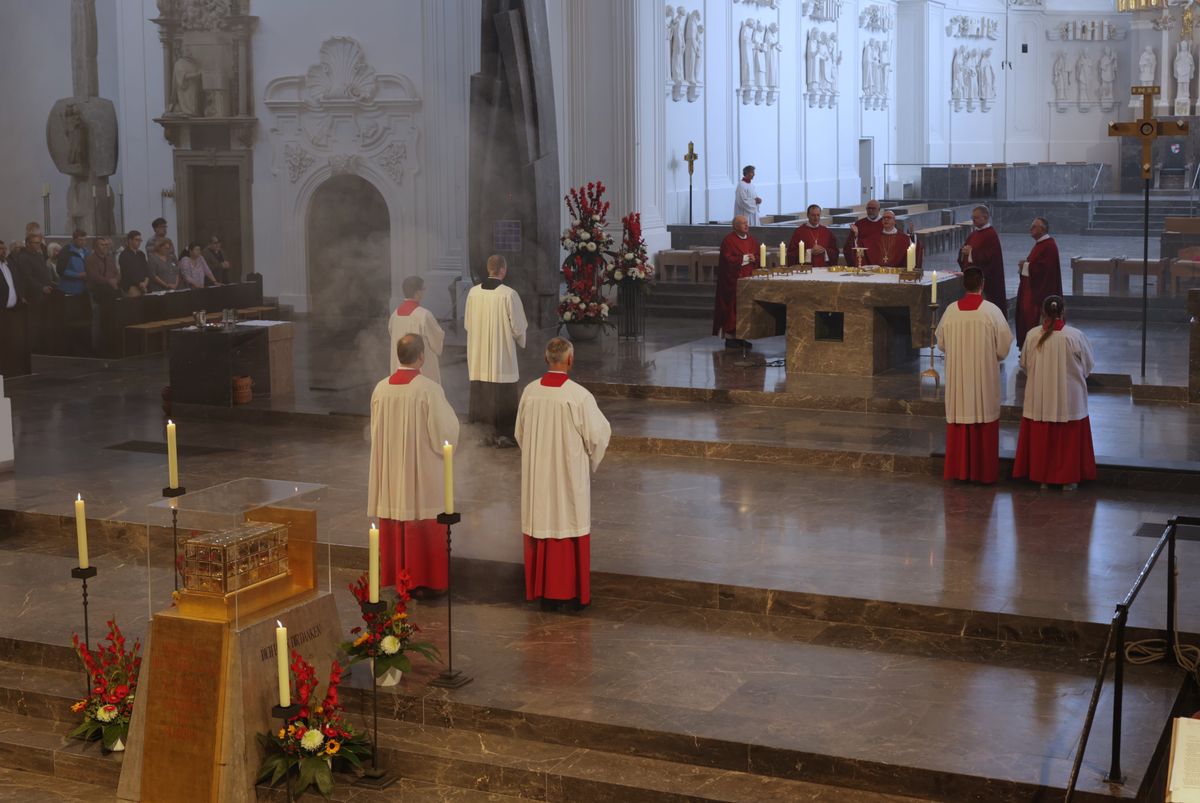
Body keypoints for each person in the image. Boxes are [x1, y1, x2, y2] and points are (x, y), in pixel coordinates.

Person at [516, 337, 611, 611]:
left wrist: (538, 455)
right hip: (567, 474)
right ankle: (570, 592)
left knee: (543, 519)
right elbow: (598, 436)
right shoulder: (579, 396)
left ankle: (543, 591)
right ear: (570, 360)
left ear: (547, 359)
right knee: (568, 518)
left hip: (538, 475)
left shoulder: (530, 392)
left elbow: (520, 433)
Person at [367, 333, 459, 596]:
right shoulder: (428, 389)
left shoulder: (380, 388)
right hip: (420, 469)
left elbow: (375, 431)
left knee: (398, 510)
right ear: (422, 356)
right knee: (422, 510)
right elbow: (446, 432)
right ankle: (425, 580)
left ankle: (400, 579)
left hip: (392, 469)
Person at [935, 266, 1014, 485]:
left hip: (959, 378)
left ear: (964, 285)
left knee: (961, 415)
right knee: (983, 416)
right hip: (983, 377)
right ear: (983, 284)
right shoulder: (992, 312)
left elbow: (941, 343)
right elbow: (1004, 347)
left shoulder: (951, 311)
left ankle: (960, 471)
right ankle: (983, 472)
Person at [1013, 296, 1096, 491]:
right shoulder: (1075, 336)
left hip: (1041, 397)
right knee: (1068, 436)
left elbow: (1024, 364)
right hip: (1069, 398)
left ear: (1042, 313)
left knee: (1043, 433)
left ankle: (1043, 476)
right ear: (1063, 312)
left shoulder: (1033, 335)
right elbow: (1088, 367)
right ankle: (1069, 478)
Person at [465, 255, 528, 448]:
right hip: (501, 355)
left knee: (481, 390)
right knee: (504, 392)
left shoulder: (473, 293)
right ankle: (504, 436)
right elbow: (518, 328)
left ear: (488, 269)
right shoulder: (509, 294)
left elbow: (467, 324)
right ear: (503, 270)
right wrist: (520, 340)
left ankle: (481, 435)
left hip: (479, 355)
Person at [1015, 217, 1063, 351]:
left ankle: (1035, 348)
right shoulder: (1041, 244)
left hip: (1040, 294)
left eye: (1034, 226)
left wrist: (1026, 265)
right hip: (1031, 290)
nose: (1031, 229)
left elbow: (1044, 270)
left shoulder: (1049, 246)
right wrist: (1026, 266)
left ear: (1043, 229)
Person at [713, 215, 760, 349]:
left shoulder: (751, 240)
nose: (747, 225)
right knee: (733, 309)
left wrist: (754, 258)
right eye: (743, 223)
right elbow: (727, 260)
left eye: (747, 223)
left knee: (745, 308)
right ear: (735, 226)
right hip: (733, 281)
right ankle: (730, 338)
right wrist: (745, 257)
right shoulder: (728, 241)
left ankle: (742, 336)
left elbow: (757, 256)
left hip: (749, 280)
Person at [389, 275, 445, 384]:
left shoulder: (394, 315)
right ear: (418, 292)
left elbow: (393, 335)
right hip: (422, 370)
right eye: (423, 289)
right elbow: (436, 339)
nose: (424, 292)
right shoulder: (424, 315)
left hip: (400, 367)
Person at [957, 205, 1007, 315]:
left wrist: (971, 252)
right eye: (972, 217)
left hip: (987, 282)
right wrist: (964, 251)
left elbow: (990, 257)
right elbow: (964, 251)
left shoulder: (991, 235)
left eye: (976, 217)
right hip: (972, 279)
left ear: (985, 217)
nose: (973, 220)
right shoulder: (974, 234)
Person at [0, 240, 32, 377]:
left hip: (13, 311)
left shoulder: (9, 264)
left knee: (13, 343)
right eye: (0, 249)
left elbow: (17, 281)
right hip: (1, 311)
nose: (3, 251)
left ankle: (12, 371)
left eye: (4, 248)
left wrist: (21, 296)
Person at [843, 198, 884, 266]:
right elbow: (848, 246)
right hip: (863, 260)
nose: (870, 210)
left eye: (873, 208)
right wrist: (855, 236)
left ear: (879, 209)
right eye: (868, 208)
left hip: (880, 258)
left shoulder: (885, 223)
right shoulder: (859, 224)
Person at [56, 229, 89, 296]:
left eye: (85, 240)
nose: (83, 242)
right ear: (74, 239)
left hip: (83, 289)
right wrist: (78, 275)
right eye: (80, 240)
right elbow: (60, 270)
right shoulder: (66, 251)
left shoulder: (86, 251)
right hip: (69, 289)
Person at [119, 231, 150, 297]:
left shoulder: (141, 254)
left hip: (144, 285)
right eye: (137, 240)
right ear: (130, 240)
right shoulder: (124, 255)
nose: (139, 242)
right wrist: (140, 284)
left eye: (140, 240)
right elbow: (128, 273)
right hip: (131, 285)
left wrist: (146, 282)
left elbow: (146, 269)